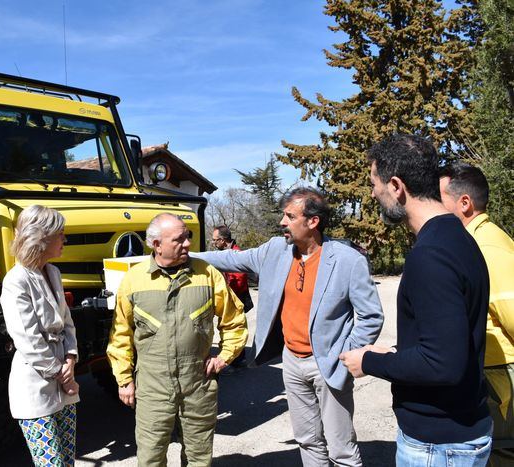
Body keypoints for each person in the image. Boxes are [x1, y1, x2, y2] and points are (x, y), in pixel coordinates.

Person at [193, 187, 383, 466]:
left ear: (313, 221)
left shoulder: (347, 260)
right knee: (307, 440)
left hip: (329, 363)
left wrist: (347, 356)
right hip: (291, 363)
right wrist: (188, 256)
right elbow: (232, 259)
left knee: (341, 448)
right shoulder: (275, 250)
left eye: (289, 216)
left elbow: (371, 316)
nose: (282, 222)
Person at [340, 135, 493, 467]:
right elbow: (449, 343)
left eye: (374, 184)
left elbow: (443, 364)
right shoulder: (457, 237)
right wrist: (397, 354)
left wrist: (368, 363)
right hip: (453, 437)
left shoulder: (431, 255)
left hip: (439, 446)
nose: (372, 194)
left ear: (396, 186)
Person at [106, 213, 248, 466]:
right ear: (156, 244)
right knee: (151, 456)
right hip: (152, 385)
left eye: (187, 237)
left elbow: (234, 320)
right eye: (179, 239)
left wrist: (224, 357)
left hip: (198, 383)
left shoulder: (207, 274)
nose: (187, 244)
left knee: (198, 457)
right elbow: (121, 334)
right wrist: (124, 379)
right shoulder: (134, 280)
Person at [440, 162, 514, 466]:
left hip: (500, 375)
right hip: (492, 371)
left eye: (438, 196)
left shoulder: (486, 246)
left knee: (502, 452)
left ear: (464, 203)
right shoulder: (479, 240)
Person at [0, 205, 79, 466]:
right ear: (41, 237)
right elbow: (27, 338)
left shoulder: (53, 272)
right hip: (35, 386)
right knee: (51, 463)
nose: (64, 239)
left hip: (64, 382)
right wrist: (60, 373)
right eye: (61, 234)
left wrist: (70, 359)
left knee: (67, 461)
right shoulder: (16, 280)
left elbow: (67, 323)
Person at [211, 225, 254, 369]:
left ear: (223, 240)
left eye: (215, 240)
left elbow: (240, 280)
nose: (214, 243)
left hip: (236, 298)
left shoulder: (236, 255)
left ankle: (238, 361)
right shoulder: (227, 253)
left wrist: (226, 289)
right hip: (231, 297)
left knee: (235, 327)